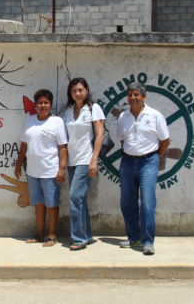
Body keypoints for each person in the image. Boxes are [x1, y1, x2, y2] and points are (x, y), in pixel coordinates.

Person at [117, 82, 170, 255]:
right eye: (130, 95)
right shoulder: (123, 117)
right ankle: (133, 238)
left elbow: (165, 141)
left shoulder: (155, 115)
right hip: (127, 161)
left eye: (136, 95)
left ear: (144, 96)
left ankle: (147, 241)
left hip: (148, 162)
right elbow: (122, 141)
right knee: (127, 202)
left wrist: (156, 157)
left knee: (147, 202)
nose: (133, 98)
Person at [15, 89, 68, 247]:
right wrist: (18, 164)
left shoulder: (57, 121)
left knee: (51, 204)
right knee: (38, 204)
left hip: (50, 171)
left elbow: (63, 147)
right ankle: (39, 234)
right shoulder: (30, 120)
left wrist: (62, 168)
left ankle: (51, 235)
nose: (43, 105)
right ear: (35, 105)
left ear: (50, 105)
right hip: (32, 171)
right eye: (40, 103)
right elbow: (24, 144)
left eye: (46, 102)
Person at [63, 78, 105, 251]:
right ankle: (86, 235)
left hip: (86, 160)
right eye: (74, 91)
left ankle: (78, 238)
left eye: (80, 90)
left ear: (86, 90)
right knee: (79, 199)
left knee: (74, 197)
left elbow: (100, 135)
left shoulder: (93, 108)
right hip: (72, 161)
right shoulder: (67, 111)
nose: (77, 93)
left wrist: (93, 159)